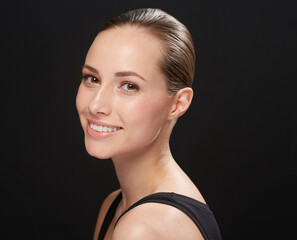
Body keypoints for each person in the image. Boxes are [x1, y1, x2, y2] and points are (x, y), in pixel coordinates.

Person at [76, 8, 222, 240]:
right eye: (92, 79)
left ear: (178, 104)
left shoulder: (143, 228)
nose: (95, 105)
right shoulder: (115, 205)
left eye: (129, 86)